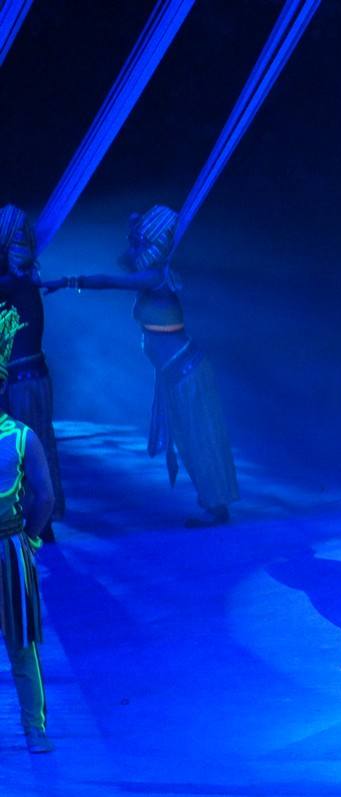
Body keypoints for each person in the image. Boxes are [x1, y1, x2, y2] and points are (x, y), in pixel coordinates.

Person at [42, 205, 238, 527]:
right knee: (191, 440)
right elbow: (125, 261)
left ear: (155, 243)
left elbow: (110, 279)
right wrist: (135, 234)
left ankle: (217, 507)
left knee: (199, 439)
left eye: (144, 240)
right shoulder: (154, 272)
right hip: (178, 373)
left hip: (187, 372)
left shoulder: (155, 277)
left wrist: (67, 280)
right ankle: (214, 504)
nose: (138, 246)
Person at [0, 305, 57, 753]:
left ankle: (36, 727)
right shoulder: (22, 436)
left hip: (11, 546)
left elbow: (45, 498)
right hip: (11, 547)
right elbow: (45, 499)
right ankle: (34, 730)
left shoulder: (21, 437)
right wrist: (29, 537)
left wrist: (29, 538)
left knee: (22, 640)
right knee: (22, 643)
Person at [0, 205, 64, 539]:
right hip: (22, 379)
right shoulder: (18, 282)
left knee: (30, 447)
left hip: (26, 381)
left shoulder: (16, 282)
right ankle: (36, 519)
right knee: (28, 447)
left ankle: (43, 522)